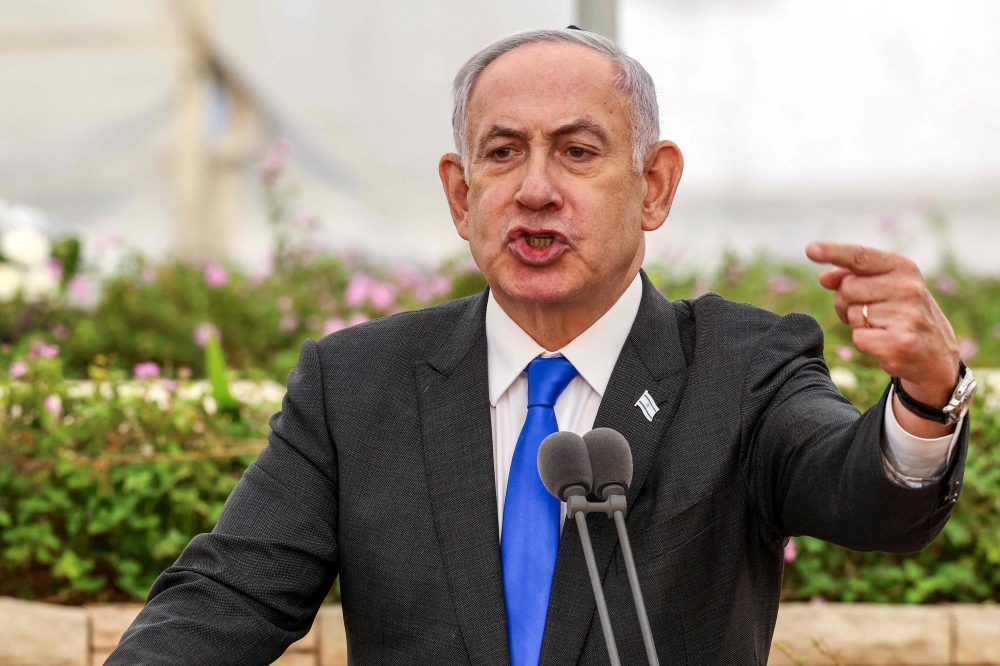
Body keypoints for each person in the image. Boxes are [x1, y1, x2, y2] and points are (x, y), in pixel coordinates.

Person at [107, 28, 973, 665]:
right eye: (503, 152)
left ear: (654, 185)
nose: (534, 190)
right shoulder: (358, 384)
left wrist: (925, 402)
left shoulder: (739, 369)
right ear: (460, 193)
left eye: (577, 151)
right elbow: (226, 597)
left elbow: (862, 493)